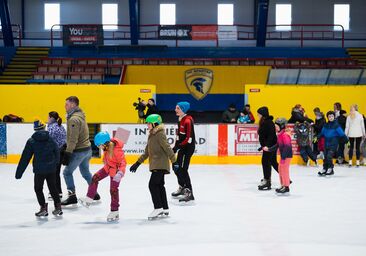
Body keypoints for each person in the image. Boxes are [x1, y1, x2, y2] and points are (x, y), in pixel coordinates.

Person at [129, 114, 177, 220]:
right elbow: (147, 152)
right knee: (159, 185)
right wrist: (137, 163)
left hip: (160, 164)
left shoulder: (159, 134)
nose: (147, 125)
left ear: (155, 124)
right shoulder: (152, 135)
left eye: (149, 123)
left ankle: (158, 207)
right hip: (157, 164)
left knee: (152, 185)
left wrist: (174, 161)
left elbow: (168, 148)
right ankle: (165, 208)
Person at [15, 120, 63, 217]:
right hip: (51, 169)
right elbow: (57, 151)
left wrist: (19, 173)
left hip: (39, 170)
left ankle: (43, 208)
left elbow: (25, 158)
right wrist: (56, 163)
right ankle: (58, 207)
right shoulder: (50, 139)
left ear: (35, 129)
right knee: (53, 187)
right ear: (44, 128)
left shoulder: (31, 141)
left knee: (38, 188)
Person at [79, 131, 126, 222]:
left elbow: (123, 163)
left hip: (116, 172)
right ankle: (89, 199)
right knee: (95, 177)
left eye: (99, 145)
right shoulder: (107, 148)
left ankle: (114, 211)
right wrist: (105, 160)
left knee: (113, 190)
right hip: (107, 168)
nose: (98, 147)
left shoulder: (116, 150)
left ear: (104, 143)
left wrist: (120, 173)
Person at [61, 96, 99, 206]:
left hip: (79, 151)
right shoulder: (80, 115)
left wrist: (68, 153)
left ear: (73, 105)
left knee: (67, 172)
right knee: (85, 172)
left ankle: (72, 197)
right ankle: (94, 193)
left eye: (67, 104)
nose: (65, 106)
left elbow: (73, 138)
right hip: (87, 149)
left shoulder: (73, 119)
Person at [171, 101, 196, 202]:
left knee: (183, 170)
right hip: (182, 147)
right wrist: (175, 146)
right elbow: (179, 135)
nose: (175, 110)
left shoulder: (188, 121)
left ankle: (189, 193)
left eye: (178, 108)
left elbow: (188, 139)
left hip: (188, 148)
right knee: (175, 167)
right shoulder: (180, 119)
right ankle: (182, 187)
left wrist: (178, 147)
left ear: (183, 110)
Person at [315, 111, 349, 176]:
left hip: (333, 143)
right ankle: (325, 168)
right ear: (327, 117)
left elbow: (342, 134)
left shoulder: (336, 125)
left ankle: (330, 169)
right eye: (329, 116)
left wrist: (347, 141)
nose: (331, 118)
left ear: (334, 117)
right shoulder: (326, 125)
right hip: (326, 143)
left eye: (332, 116)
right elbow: (322, 133)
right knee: (325, 157)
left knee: (329, 156)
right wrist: (317, 137)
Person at [257, 106, 278, 190]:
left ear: (263, 114)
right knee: (273, 162)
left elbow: (271, 136)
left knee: (265, 162)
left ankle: (267, 181)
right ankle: (285, 178)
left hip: (270, 147)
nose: (258, 115)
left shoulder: (269, 123)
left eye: (259, 114)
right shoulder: (265, 122)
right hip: (268, 146)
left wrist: (267, 146)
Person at [47, 111, 66, 199]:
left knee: (52, 173)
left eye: (48, 117)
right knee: (56, 173)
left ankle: (54, 192)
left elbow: (48, 141)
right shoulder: (61, 126)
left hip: (55, 153)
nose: (47, 119)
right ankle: (58, 191)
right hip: (61, 152)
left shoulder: (51, 128)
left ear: (51, 118)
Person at [272, 118, 293, 194]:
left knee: (284, 170)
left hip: (286, 156)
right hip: (283, 155)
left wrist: (283, 157)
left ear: (282, 126)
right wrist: (270, 149)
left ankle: (286, 187)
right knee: (280, 169)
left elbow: (287, 147)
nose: (275, 127)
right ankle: (283, 185)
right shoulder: (280, 134)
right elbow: (278, 145)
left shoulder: (285, 135)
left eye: (276, 126)